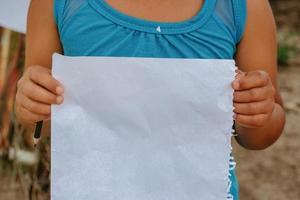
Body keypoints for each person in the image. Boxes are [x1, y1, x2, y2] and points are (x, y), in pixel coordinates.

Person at [15, 0, 286, 199]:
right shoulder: (54, 5)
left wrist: (256, 111)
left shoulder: (245, 8)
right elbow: (42, 123)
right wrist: (32, 107)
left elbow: (262, 133)